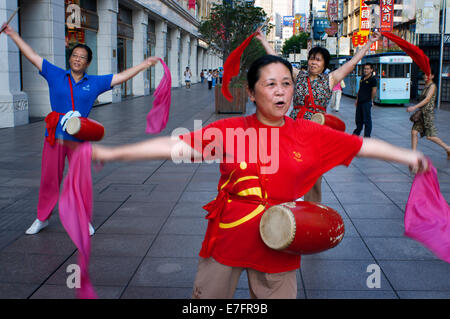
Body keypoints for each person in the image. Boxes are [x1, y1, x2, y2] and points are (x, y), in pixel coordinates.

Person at [91, 55, 428, 299]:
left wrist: (406, 154)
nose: (281, 91)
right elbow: (175, 145)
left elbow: (361, 146)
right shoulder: (230, 130)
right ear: (252, 93)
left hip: (281, 235)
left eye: (286, 84)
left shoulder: (309, 133)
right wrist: (114, 153)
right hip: (230, 232)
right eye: (270, 84)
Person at [1, 23, 160, 235]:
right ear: (70, 58)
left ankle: (83, 219)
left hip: (80, 136)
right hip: (54, 136)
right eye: (75, 55)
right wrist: (12, 34)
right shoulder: (55, 74)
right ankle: (42, 218)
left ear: (88, 62)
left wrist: (143, 65)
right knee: (50, 178)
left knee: (79, 181)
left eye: (82, 57)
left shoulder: (94, 82)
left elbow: (122, 77)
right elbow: (31, 55)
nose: (77, 59)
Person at [256, 30, 381, 203]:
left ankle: (312, 214)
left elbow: (352, 63)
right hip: (293, 129)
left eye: (318, 60)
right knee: (289, 169)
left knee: (314, 177)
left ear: (324, 64)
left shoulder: (330, 79)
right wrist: (263, 40)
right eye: (312, 58)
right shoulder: (298, 75)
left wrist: (369, 43)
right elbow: (278, 60)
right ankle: (287, 208)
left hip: (316, 133)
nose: (313, 62)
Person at [407, 70, 450, 159]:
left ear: (433, 76)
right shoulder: (426, 85)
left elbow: (427, 100)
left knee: (430, 137)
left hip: (428, 115)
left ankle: (448, 148)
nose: (425, 76)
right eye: (425, 75)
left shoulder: (432, 86)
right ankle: (413, 154)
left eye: (428, 75)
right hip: (421, 114)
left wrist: (414, 107)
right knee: (414, 132)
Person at [353, 63, 377, 137]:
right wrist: (357, 99)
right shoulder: (362, 78)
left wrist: (371, 100)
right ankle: (355, 135)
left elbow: (374, 91)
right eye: (365, 69)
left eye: (367, 69)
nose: (365, 70)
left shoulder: (373, 79)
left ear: (371, 70)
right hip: (360, 102)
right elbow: (360, 89)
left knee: (367, 121)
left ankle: (367, 137)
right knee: (358, 120)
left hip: (366, 102)